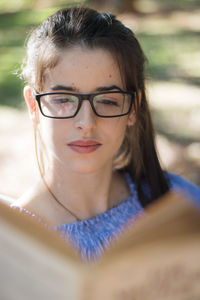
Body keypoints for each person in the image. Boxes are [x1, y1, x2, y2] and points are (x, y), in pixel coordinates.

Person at [11, 6, 200, 261]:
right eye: (64, 99)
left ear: (133, 108)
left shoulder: (181, 204)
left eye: (108, 100)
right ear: (33, 106)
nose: (87, 123)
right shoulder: (12, 244)